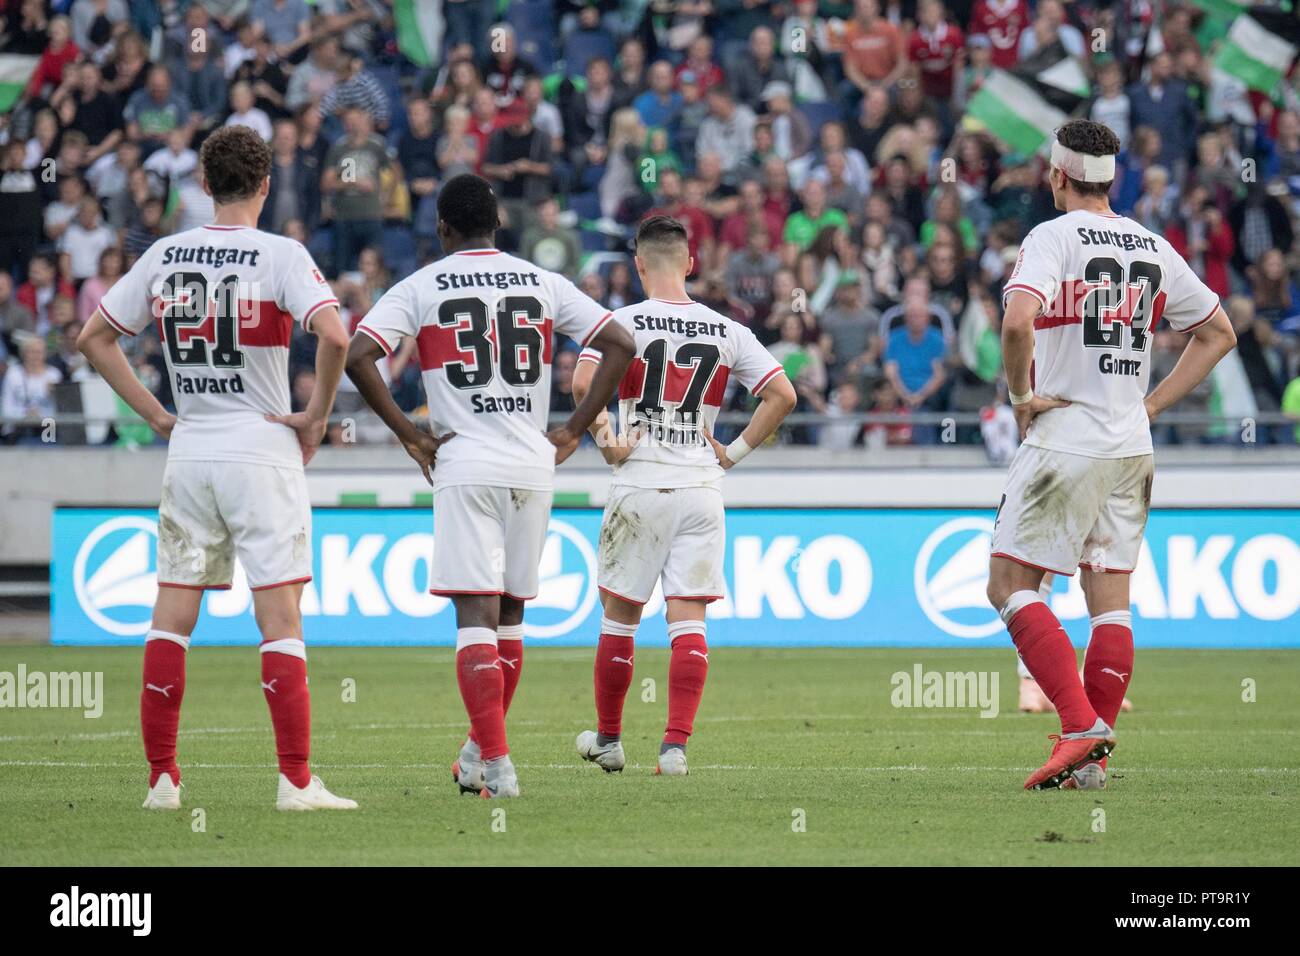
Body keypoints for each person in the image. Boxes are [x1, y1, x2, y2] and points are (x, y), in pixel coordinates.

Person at [76, 125, 356, 812]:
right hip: (260, 449)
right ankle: (294, 782)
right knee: (279, 620)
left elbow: (94, 337)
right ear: (265, 185)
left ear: (203, 184)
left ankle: (163, 781)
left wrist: (156, 414)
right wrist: (317, 415)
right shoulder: (282, 254)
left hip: (192, 446)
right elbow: (337, 334)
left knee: (171, 617)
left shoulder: (166, 254)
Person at [344, 173, 635, 799]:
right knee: (510, 615)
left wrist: (408, 434)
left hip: (465, 459)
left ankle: (500, 766)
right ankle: (479, 753)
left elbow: (358, 354)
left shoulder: (420, 285)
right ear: (499, 223)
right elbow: (619, 342)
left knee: (474, 614)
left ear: (443, 229)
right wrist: (573, 431)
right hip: (533, 459)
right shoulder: (543, 281)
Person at [989, 119, 1237, 792]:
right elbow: (1218, 333)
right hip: (1131, 443)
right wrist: (1152, 405)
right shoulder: (1151, 245)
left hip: (1066, 437)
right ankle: (1089, 770)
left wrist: (1019, 393)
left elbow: (1016, 320)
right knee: (1111, 606)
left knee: (1009, 586)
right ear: (1114, 178)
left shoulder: (1050, 236)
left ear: (1057, 176)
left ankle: (1080, 727)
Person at [570, 216, 797, 777]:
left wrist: (606, 438)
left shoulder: (619, 322)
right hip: (701, 488)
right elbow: (782, 394)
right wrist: (731, 452)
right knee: (688, 620)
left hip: (641, 481)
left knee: (620, 619)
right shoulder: (727, 330)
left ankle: (610, 739)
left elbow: (580, 382)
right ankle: (674, 749)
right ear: (690, 263)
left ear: (639, 266)